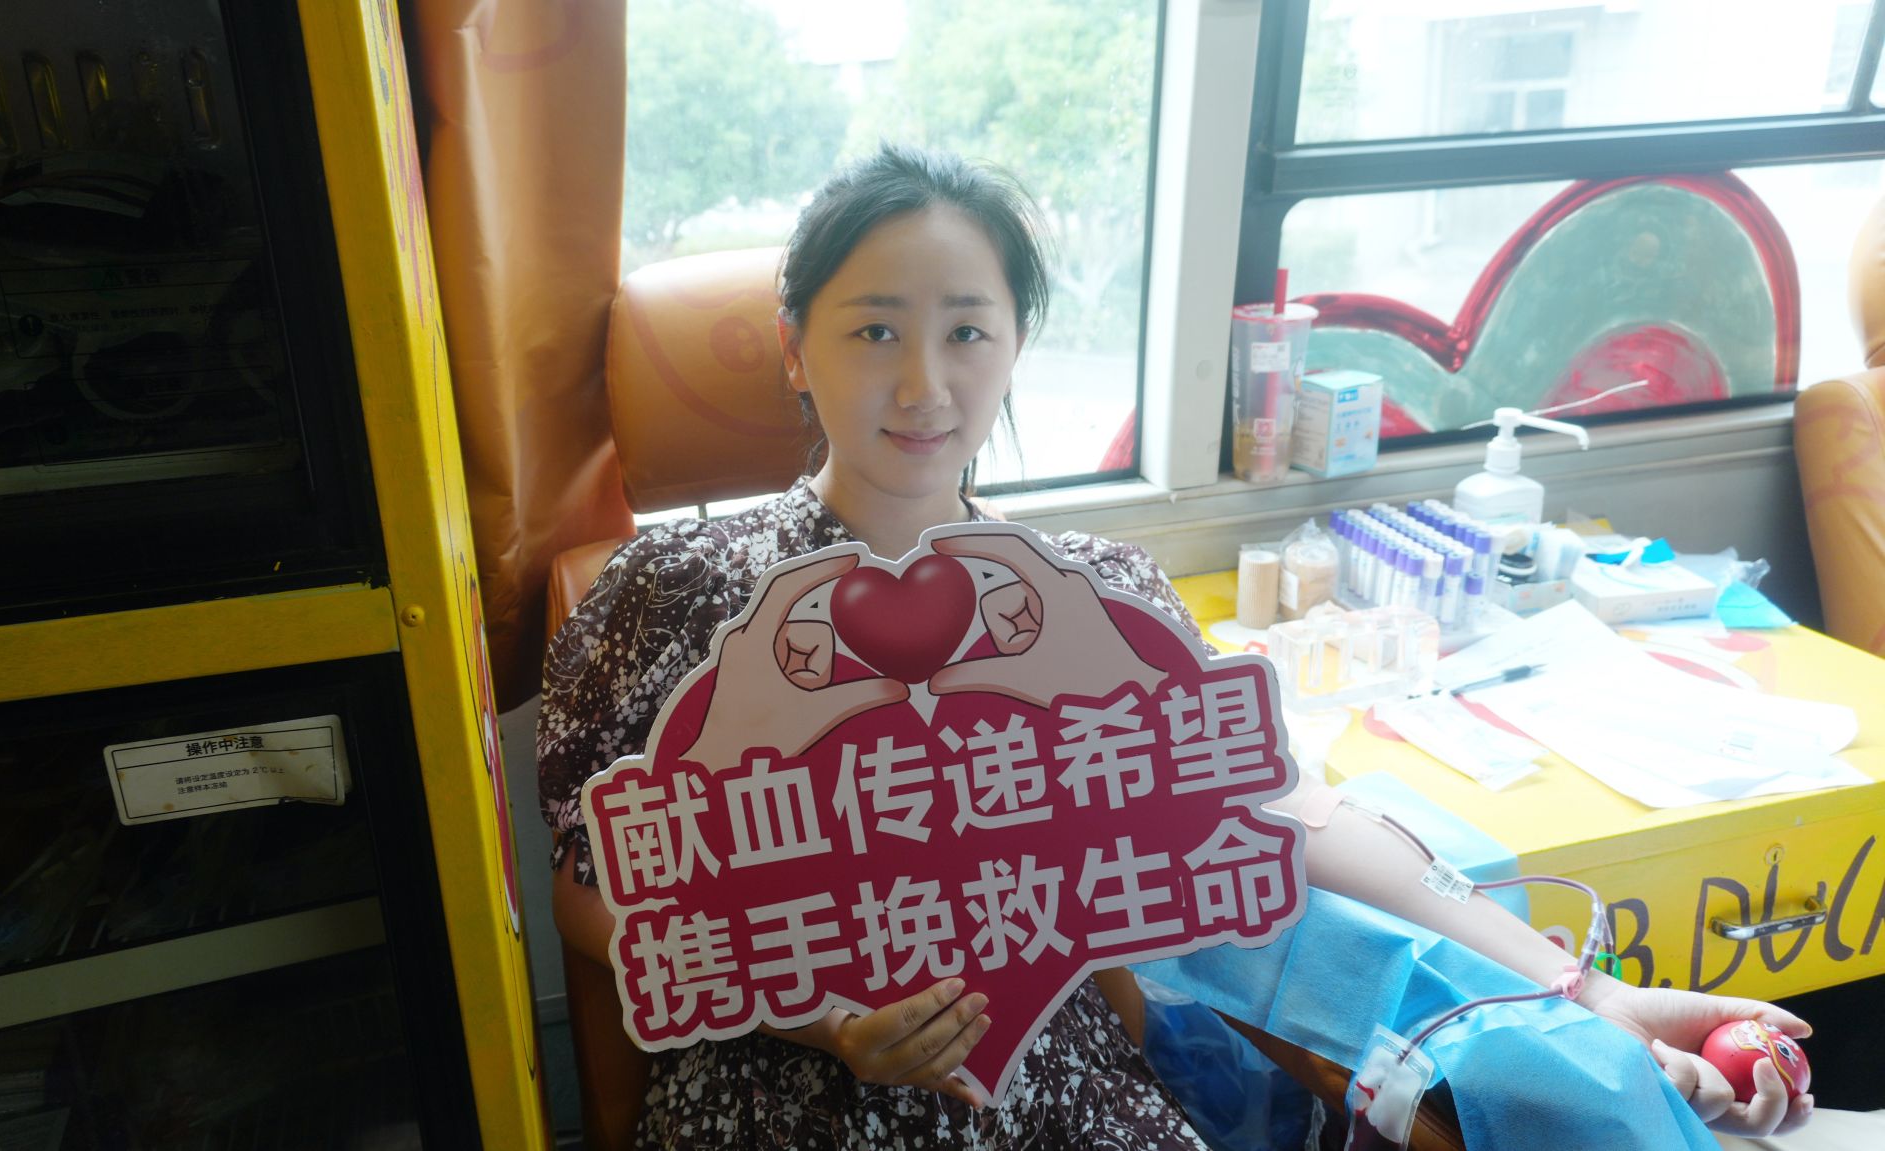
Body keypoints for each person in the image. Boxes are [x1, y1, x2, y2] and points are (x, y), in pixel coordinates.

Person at [538, 144, 1814, 1150]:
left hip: (1056, 1085)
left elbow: (1288, 812)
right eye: (873, 330)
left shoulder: (1096, 601)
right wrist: (824, 1021)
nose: (923, 384)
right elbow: (590, 888)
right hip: (779, 1088)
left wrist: (1586, 993)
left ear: (1015, 345)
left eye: (967, 330)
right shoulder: (672, 591)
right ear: (793, 347)